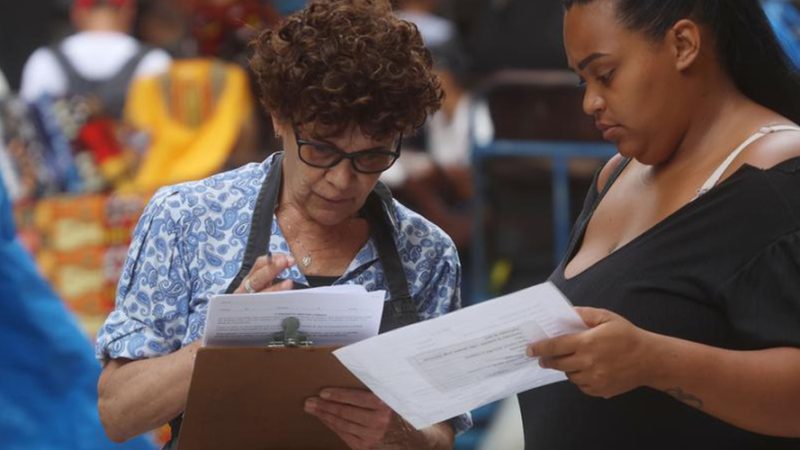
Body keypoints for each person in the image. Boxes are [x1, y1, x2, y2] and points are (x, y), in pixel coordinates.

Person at [95, 0, 470, 448]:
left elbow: (442, 431)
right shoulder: (187, 218)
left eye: (371, 157)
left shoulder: (426, 253)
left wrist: (398, 435)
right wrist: (217, 347)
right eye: (322, 150)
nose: (342, 179)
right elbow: (117, 413)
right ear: (278, 117)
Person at [520, 0, 800, 448]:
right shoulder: (616, 174)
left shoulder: (779, 178)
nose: (590, 101)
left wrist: (655, 361)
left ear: (684, 44)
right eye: (582, 80)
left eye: (605, 74)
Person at [19, 0, 170, 118]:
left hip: (70, 154)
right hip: (135, 157)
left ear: (77, 12)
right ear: (128, 12)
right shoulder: (155, 61)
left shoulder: (44, 60)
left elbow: (30, 128)